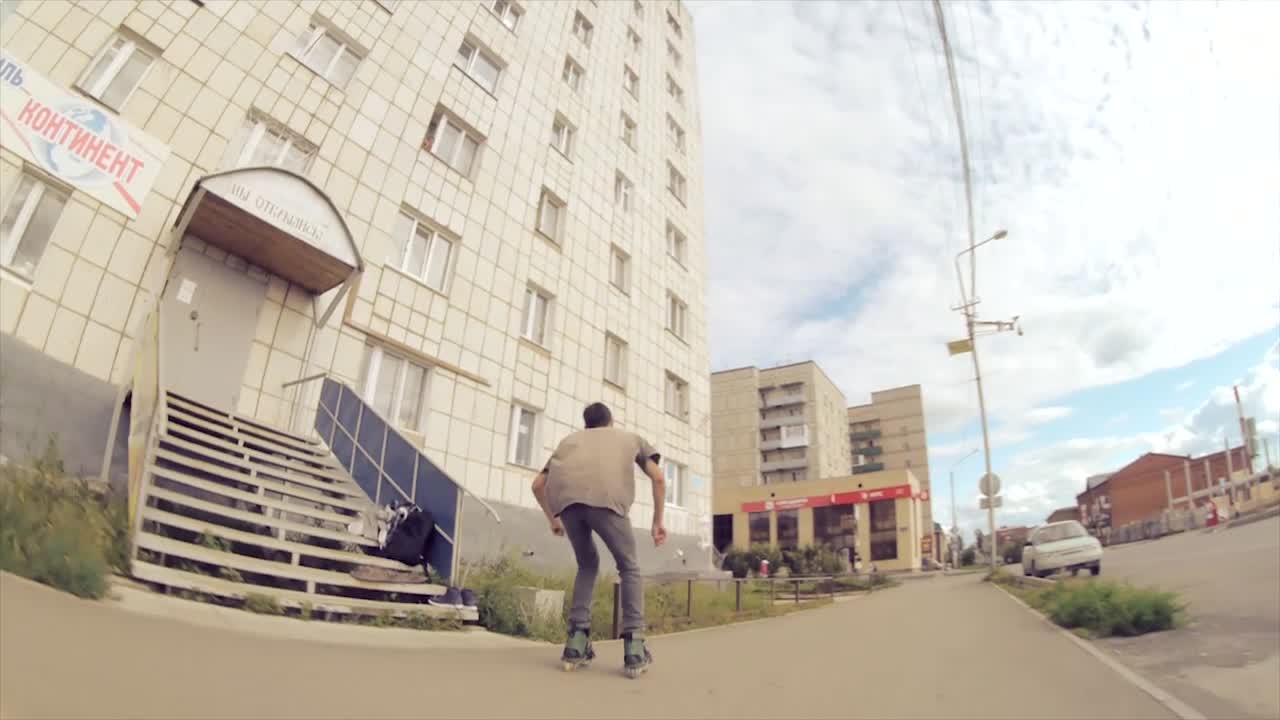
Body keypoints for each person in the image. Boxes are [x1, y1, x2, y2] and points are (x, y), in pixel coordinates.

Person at [531, 402, 666, 678]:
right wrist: (657, 521)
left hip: (568, 506)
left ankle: (576, 643)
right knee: (629, 567)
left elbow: (537, 485)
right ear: (610, 421)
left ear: (586, 424)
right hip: (607, 503)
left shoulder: (568, 442)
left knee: (587, 565)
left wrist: (553, 520)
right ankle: (634, 648)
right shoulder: (630, 438)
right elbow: (659, 478)